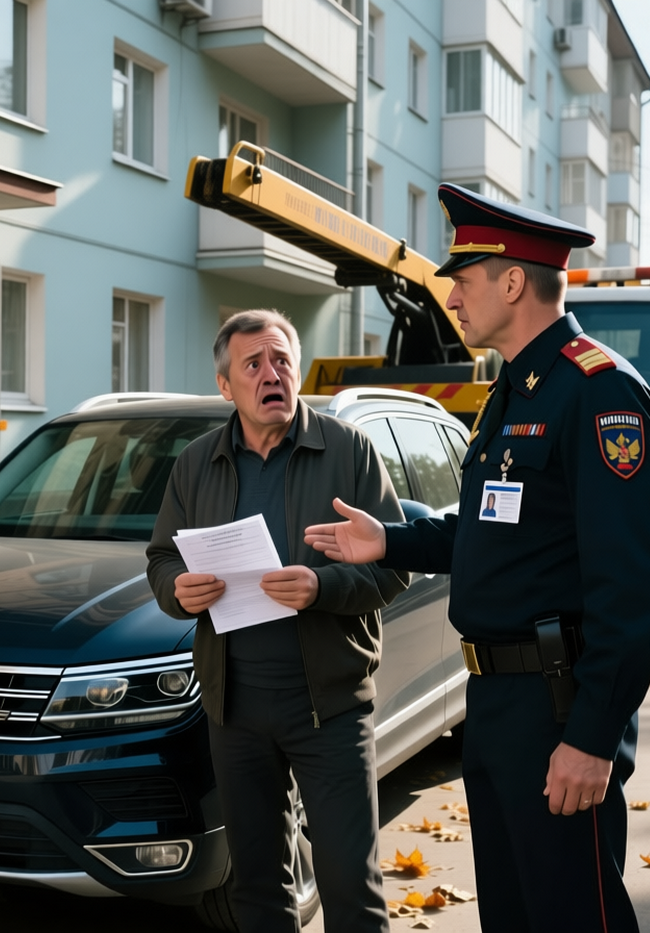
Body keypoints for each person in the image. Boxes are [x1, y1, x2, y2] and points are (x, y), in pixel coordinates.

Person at [304, 185, 650, 933]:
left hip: (559, 708)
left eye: (462, 278)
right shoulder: (514, 390)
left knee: (573, 914)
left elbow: (634, 587)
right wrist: (390, 539)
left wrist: (593, 737)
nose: (450, 293)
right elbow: (491, 528)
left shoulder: (597, 395)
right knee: (512, 913)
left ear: (512, 281)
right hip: (499, 704)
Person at [146, 310, 408, 933]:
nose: (272, 375)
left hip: (330, 708)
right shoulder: (195, 463)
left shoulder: (348, 451)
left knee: (350, 883)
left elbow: (396, 568)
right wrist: (177, 592)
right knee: (258, 887)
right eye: (254, 364)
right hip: (234, 711)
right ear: (225, 385)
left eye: (283, 360)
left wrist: (322, 586)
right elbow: (161, 558)